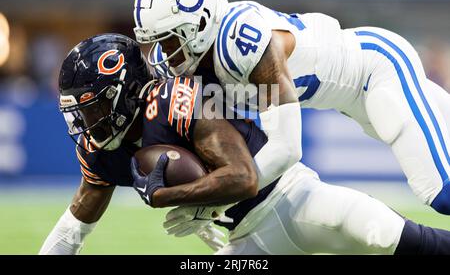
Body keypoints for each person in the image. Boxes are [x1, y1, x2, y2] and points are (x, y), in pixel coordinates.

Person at [40, 33, 450, 255]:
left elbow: (245, 176)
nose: (86, 124)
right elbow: (73, 230)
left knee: (384, 235)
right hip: (242, 240)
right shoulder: (99, 150)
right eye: (79, 112)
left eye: (92, 109)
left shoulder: (174, 102)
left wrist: (176, 196)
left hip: (292, 198)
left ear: (126, 91)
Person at [133, 0, 450, 215]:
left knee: (439, 192)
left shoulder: (240, 42)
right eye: (158, 40)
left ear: (200, 24)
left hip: (378, 69)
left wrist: (214, 200)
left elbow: (286, 148)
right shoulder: (191, 63)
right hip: (349, 100)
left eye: (170, 38)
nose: (164, 50)